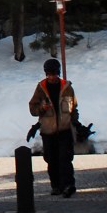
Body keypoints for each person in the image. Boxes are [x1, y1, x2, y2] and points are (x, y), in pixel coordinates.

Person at [29, 59, 79, 198]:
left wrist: (75, 123)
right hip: (48, 131)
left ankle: (69, 185)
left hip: (65, 129)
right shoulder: (41, 88)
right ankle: (56, 186)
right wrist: (42, 108)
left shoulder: (67, 87)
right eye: (49, 74)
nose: (52, 77)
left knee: (65, 159)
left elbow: (73, 107)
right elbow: (32, 109)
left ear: (58, 73)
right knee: (51, 160)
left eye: (54, 74)